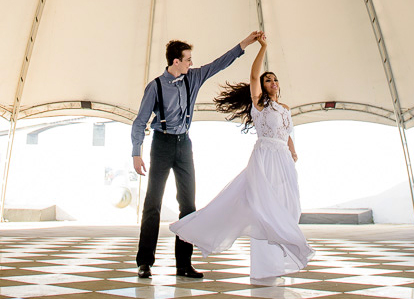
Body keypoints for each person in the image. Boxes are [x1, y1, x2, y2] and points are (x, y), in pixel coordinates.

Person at [169, 34, 313, 280]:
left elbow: (287, 132)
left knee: (289, 207)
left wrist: (293, 150)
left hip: (284, 160)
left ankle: (280, 257)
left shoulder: (285, 108)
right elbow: (254, 76)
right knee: (264, 208)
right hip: (265, 157)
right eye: (269, 80)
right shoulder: (259, 105)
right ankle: (210, 232)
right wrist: (262, 48)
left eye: (275, 79)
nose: (272, 82)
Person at [132, 31, 262, 279]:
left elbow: (220, 63)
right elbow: (140, 122)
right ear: (175, 61)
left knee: (189, 206)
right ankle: (145, 262)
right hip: (161, 144)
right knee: (152, 204)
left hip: (184, 145)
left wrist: (245, 43)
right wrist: (136, 153)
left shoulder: (193, 78)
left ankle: (184, 265)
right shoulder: (156, 86)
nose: (192, 63)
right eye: (188, 59)